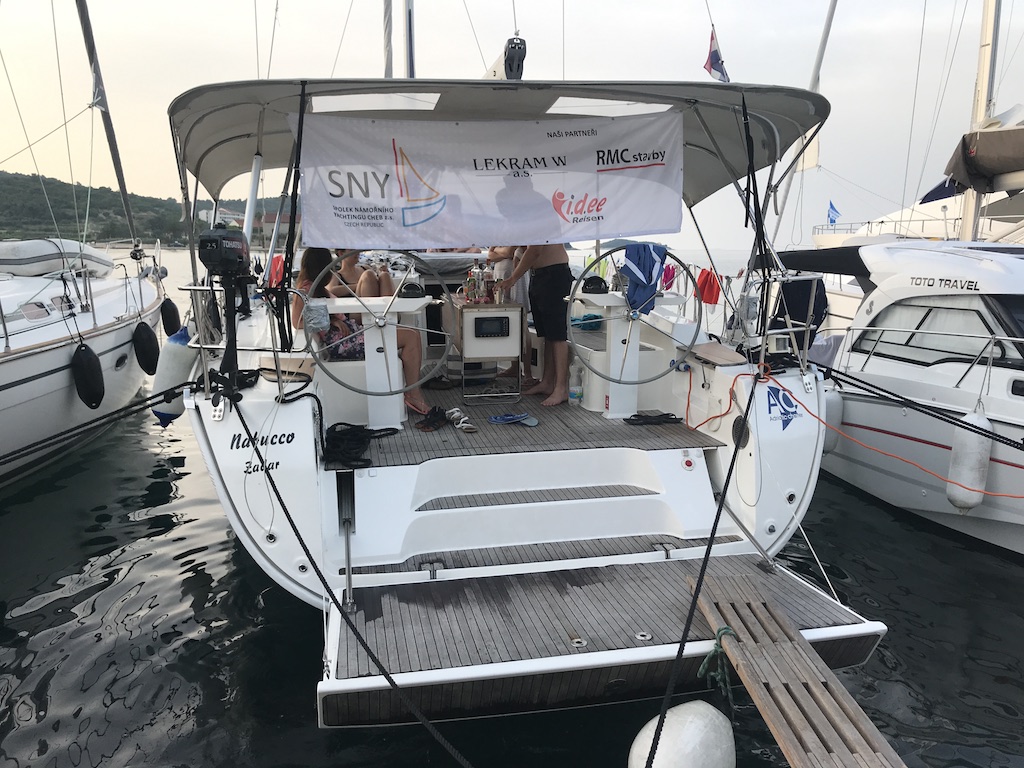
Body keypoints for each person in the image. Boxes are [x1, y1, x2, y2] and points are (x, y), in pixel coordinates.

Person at [291, 247, 430, 414]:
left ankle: (412, 391)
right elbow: (297, 322)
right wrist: (330, 322)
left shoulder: (316, 286)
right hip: (342, 343)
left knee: (412, 334)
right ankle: (413, 394)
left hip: (348, 336)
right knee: (410, 337)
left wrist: (333, 319)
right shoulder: (305, 289)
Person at [498, 243, 571, 406]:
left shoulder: (543, 224)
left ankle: (561, 388)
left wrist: (513, 278)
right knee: (547, 334)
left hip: (554, 274)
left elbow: (535, 250)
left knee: (558, 335)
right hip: (538, 275)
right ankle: (547, 382)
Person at [487, 245, 536, 387]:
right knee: (507, 322)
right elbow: (490, 255)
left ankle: (528, 373)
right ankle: (514, 367)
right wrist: (503, 253)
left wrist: (498, 251)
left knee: (521, 322)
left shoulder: (514, 232)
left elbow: (510, 251)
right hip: (500, 274)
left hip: (516, 276)